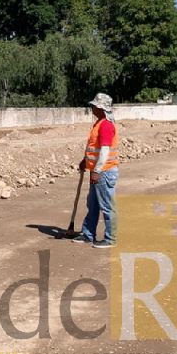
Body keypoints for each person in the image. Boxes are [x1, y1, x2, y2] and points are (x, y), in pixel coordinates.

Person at [73, 92, 119, 248]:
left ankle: (110, 239)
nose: (92, 108)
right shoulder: (99, 123)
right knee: (92, 205)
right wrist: (85, 162)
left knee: (107, 206)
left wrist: (97, 171)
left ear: (101, 108)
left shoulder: (105, 125)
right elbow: (95, 148)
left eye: (95, 106)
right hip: (98, 171)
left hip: (104, 173)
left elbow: (105, 150)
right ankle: (88, 234)